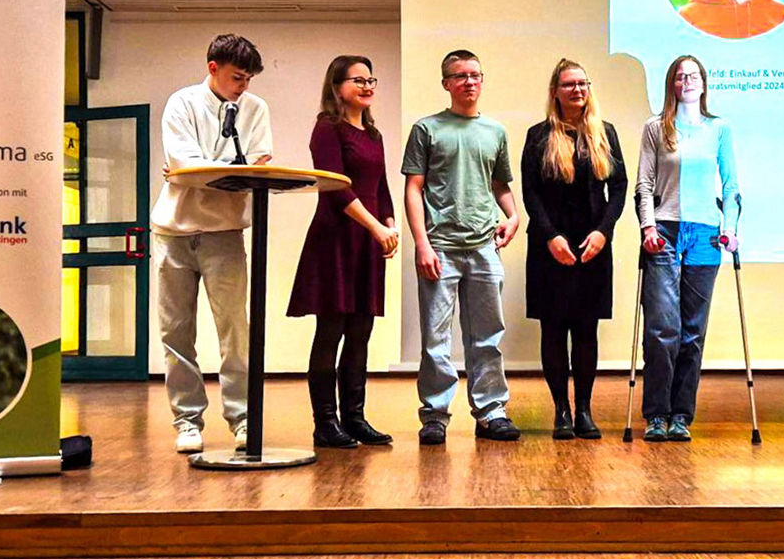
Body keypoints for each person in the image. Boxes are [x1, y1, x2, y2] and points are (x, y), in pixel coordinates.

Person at [151, 33, 272, 454]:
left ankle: (243, 420)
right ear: (213, 69)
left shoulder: (255, 109)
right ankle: (186, 421)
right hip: (174, 233)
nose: (243, 86)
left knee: (235, 332)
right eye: (237, 77)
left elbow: (255, 168)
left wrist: (198, 170)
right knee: (176, 332)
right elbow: (183, 165)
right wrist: (217, 171)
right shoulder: (181, 103)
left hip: (225, 234)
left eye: (249, 79)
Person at [402, 48, 521, 445]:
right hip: (441, 246)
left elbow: (500, 184)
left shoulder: (495, 132)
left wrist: (515, 215)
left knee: (487, 335)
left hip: (484, 246)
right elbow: (413, 188)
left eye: (475, 75)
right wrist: (422, 243)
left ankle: (491, 412)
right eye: (461, 76)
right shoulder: (427, 129)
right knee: (436, 339)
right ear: (446, 84)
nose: (469, 82)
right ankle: (434, 414)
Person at [288, 56, 398, 448]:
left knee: (361, 333)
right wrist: (374, 226)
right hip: (335, 239)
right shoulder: (327, 129)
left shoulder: (374, 135)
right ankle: (325, 423)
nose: (368, 86)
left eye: (371, 79)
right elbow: (337, 188)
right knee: (330, 330)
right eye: (358, 80)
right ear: (337, 88)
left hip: (367, 242)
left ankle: (355, 418)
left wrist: (390, 223)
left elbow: (381, 186)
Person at [521, 59, 627, 440]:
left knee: (586, 330)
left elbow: (618, 188)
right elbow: (530, 192)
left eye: (582, 83)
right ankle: (560, 412)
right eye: (569, 84)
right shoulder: (538, 135)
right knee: (553, 330)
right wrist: (550, 236)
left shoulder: (605, 133)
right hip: (549, 246)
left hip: (592, 246)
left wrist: (604, 232)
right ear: (555, 91)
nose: (577, 90)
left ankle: (584, 409)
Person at [635, 54, 739, 443]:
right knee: (663, 328)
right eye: (680, 77)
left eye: (693, 75)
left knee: (693, 332)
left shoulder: (719, 128)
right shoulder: (655, 128)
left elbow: (730, 186)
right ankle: (656, 415)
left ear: (703, 83)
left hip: (706, 235)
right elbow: (644, 184)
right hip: (664, 229)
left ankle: (681, 415)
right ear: (671, 85)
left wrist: (730, 227)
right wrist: (647, 226)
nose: (687, 81)